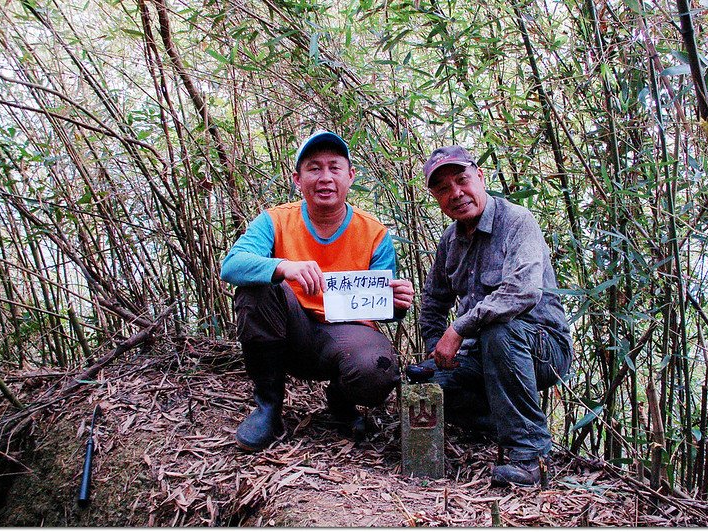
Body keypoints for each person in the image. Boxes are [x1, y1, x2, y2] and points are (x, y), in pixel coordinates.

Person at [220, 131, 415, 451]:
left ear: (350, 176)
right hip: (289, 332)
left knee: (377, 369)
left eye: (334, 168)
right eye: (314, 168)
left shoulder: (374, 233)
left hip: (345, 337)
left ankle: (341, 400)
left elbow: (382, 306)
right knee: (254, 291)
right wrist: (282, 267)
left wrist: (398, 304)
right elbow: (232, 265)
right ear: (298, 179)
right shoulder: (275, 220)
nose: (325, 177)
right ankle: (268, 408)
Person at [416, 145, 573, 487]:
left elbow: (523, 292)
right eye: (443, 189)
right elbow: (432, 300)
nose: (456, 194)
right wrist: (435, 347)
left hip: (540, 348)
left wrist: (458, 328)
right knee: (427, 385)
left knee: (498, 331)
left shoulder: (517, 221)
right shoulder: (450, 240)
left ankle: (530, 457)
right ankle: (495, 425)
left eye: (462, 180)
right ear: (435, 198)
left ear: (480, 177)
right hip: (480, 354)